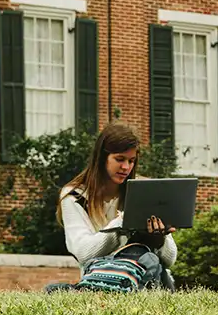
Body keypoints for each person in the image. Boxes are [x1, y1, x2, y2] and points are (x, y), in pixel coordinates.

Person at [57, 123, 177, 288]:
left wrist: (159, 238)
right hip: (102, 279)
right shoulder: (74, 196)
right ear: (101, 158)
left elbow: (170, 260)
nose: (126, 167)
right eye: (119, 159)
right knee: (54, 289)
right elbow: (84, 254)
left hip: (145, 278)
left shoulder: (143, 192)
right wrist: (123, 222)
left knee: (147, 259)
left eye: (131, 161)